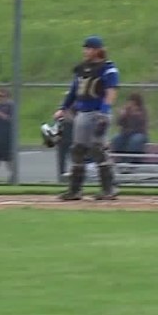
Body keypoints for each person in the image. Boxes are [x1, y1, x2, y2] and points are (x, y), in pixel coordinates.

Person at [54, 35, 119, 201]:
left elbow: (111, 92)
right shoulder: (82, 70)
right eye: (85, 48)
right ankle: (75, 190)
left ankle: (108, 189)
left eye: (89, 48)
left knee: (98, 149)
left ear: (98, 50)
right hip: (83, 112)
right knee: (78, 150)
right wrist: (63, 108)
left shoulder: (108, 69)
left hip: (98, 112)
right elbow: (74, 91)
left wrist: (104, 113)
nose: (86, 51)